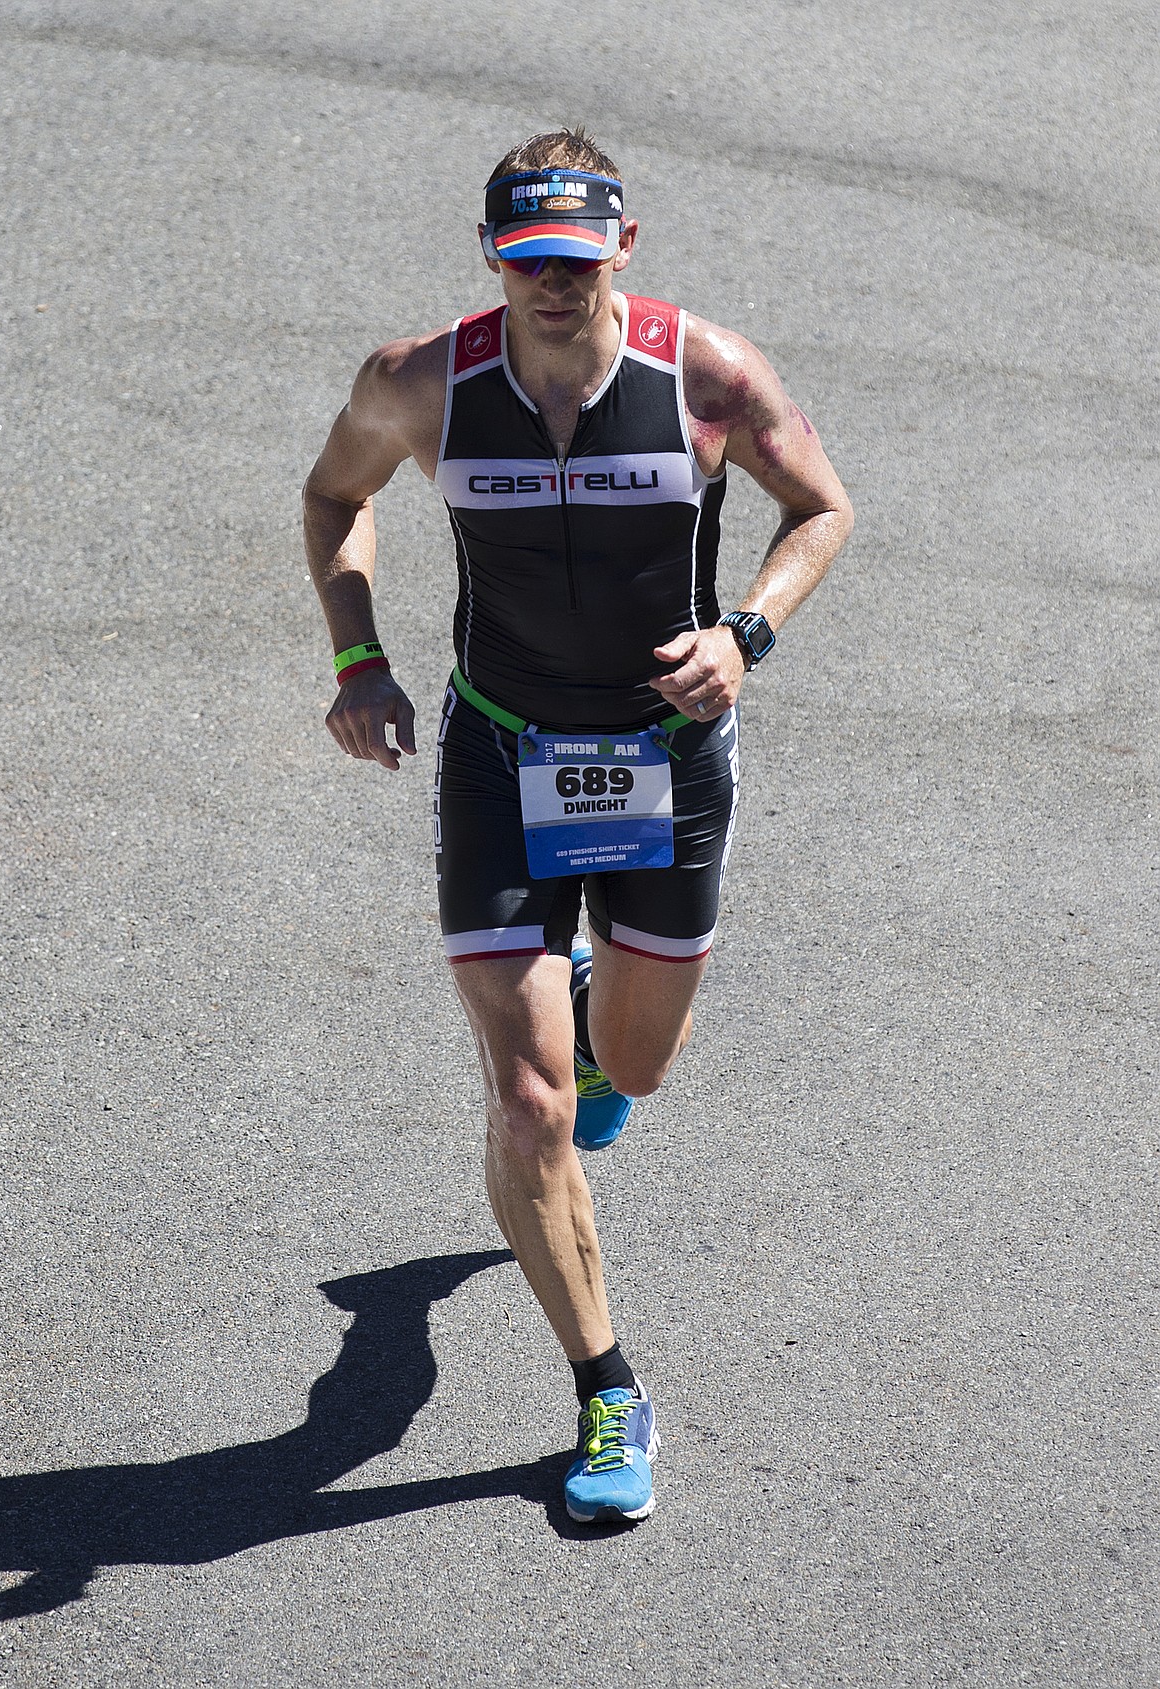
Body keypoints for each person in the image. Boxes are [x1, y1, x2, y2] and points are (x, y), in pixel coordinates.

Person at [303, 126, 853, 1525]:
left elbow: (822, 510)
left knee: (631, 1070)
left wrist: (747, 635)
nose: (555, 284)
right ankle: (607, 1382)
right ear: (495, 256)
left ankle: (604, 1017)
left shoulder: (708, 377)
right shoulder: (417, 381)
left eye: (578, 255)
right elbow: (333, 497)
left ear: (623, 243)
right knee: (530, 1097)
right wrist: (357, 661)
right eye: (528, 259)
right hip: (498, 749)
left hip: (664, 755)